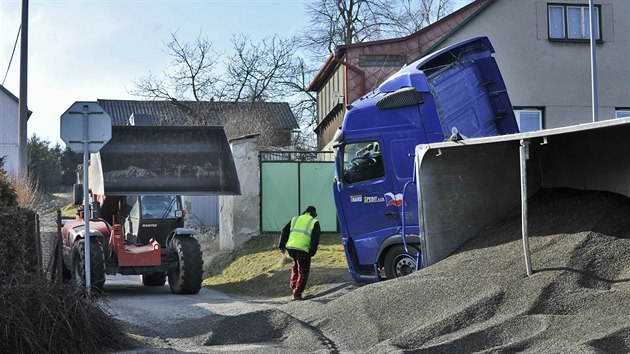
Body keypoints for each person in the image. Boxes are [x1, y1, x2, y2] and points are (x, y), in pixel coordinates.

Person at [278, 206, 320, 301]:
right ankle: (296, 294)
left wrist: (281, 245)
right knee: (303, 271)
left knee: (296, 266)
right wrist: (312, 252)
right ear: (313, 214)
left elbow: (284, 231)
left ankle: (293, 285)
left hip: (291, 248)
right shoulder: (314, 222)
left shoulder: (295, 219)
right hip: (303, 249)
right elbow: (315, 240)